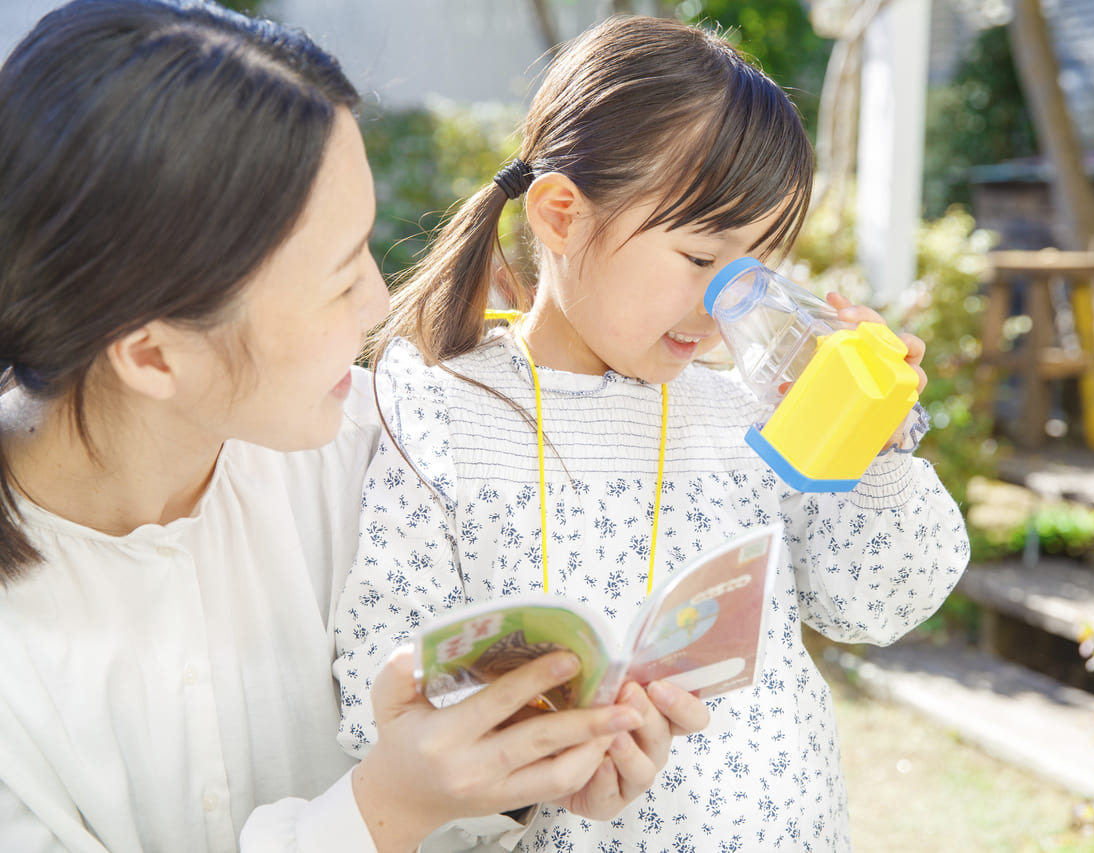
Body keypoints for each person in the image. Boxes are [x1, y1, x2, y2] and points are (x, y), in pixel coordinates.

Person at [0, 3, 708, 852]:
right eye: (338, 280)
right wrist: (383, 810)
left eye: (370, 248)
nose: (378, 305)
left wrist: (529, 777)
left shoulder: (401, 450)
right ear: (152, 355)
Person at [335, 15, 970, 853]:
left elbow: (877, 600)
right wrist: (544, 749)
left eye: (758, 267)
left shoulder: (747, 405)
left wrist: (870, 441)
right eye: (702, 258)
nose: (727, 304)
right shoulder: (446, 409)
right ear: (561, 215)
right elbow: (380, 691)